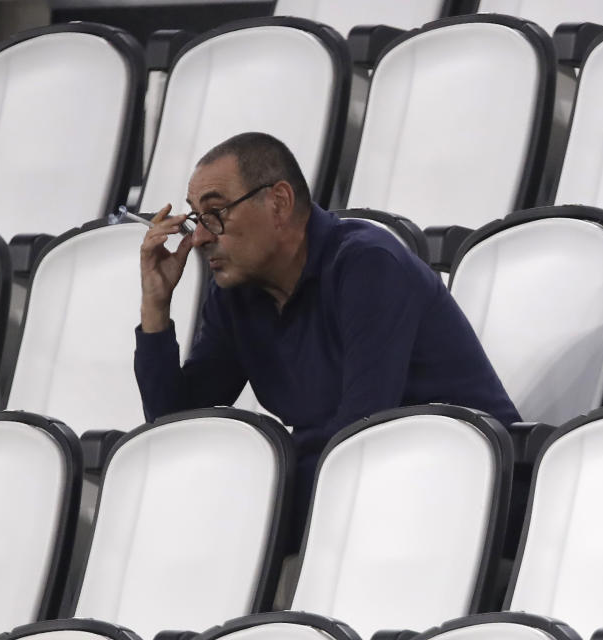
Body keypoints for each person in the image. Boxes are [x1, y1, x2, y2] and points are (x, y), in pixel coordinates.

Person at [135, 132, 520, 546]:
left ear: (279, 202)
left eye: (215, 213)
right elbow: (174, 427)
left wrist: (246, 496)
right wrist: (155, 308)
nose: (199, 238)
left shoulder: (368, 265)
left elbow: (361, 433)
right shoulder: (236, 296)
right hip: (364, 496)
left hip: (460, 486)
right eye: (195, 219)